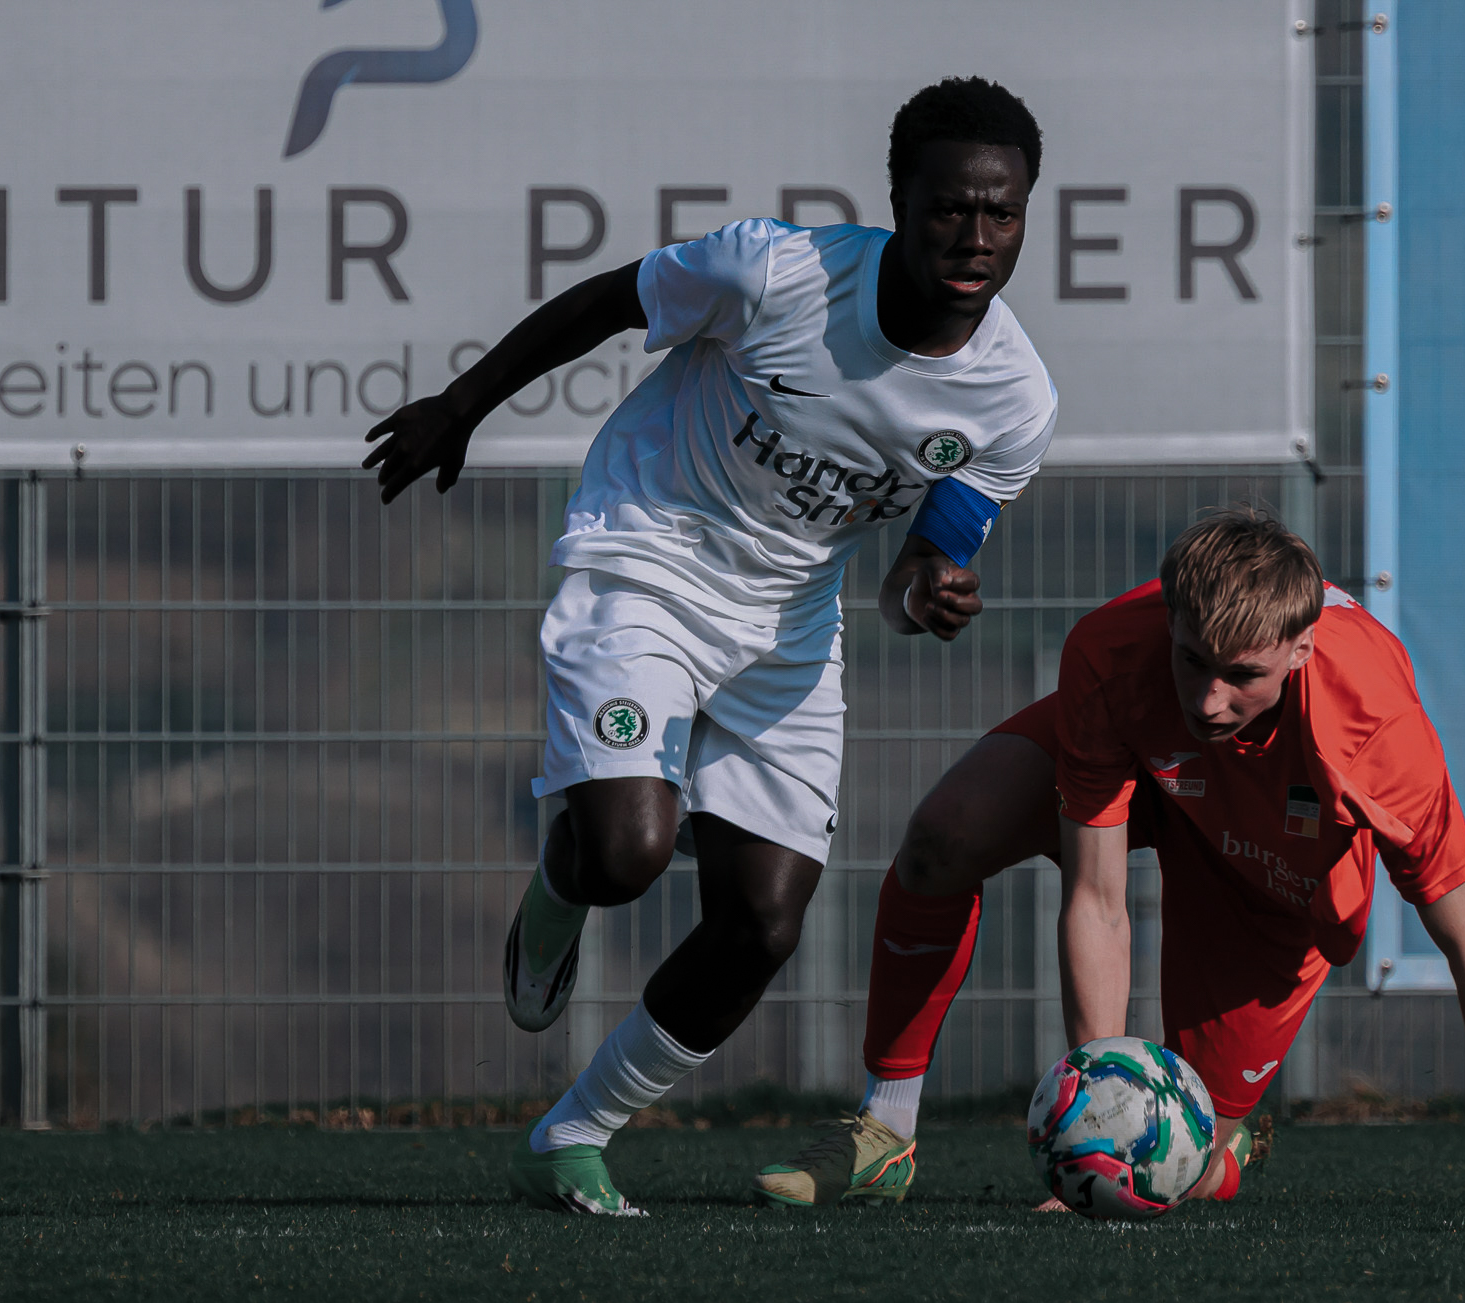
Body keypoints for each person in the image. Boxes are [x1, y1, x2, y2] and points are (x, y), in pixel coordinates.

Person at [362, 77, 1057, 1216]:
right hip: (647, 555)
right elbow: (606, 300)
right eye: (948, 209)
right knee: (630, 853)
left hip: (788, 627)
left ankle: (573, 1130)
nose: (975, 238)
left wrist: (928, 592)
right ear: (899, 198)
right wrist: (465, 403)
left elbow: (920, 565)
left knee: (763, 923)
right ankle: (562, 879)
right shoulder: (774, 272)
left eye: (1002, 214)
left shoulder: (1013, 400)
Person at [754, 510, 1465, 1210]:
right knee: (945, 835)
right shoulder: (1112, 652)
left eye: (1242, 676)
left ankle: (1229, 1151)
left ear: (1302, 647)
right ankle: (884, 1129)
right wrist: (1090, 1130)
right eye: (1191, 660)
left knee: (1185, 1163)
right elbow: (1098, 899)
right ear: (1168, 619)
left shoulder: (1375, 730)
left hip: (1271, 879)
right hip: (1158, 778)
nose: (1209, 700)